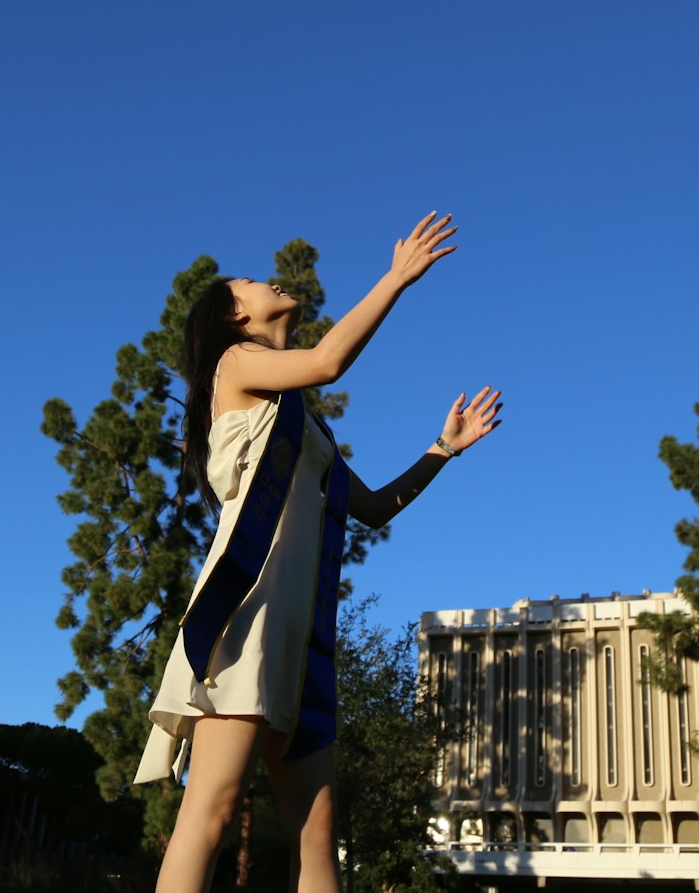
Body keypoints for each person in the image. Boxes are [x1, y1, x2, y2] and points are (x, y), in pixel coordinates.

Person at [139, 211, 504, 893]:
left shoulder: (304, 424)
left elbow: (368, 509)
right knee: (211, 812)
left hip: (299, 635)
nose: (264, 279)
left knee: (318, 839)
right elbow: (329, 359)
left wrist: (443, 451)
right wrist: (396, 278)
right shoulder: (236, 366)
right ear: (235, 319)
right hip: (244, 617)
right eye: (247, 282)